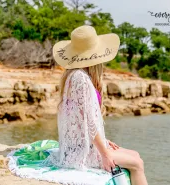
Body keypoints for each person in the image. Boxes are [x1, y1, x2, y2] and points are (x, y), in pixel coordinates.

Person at [50, 25, 148, 185]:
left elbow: (81, 120)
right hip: (81, 153)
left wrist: (104, 140)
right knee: (137, 164)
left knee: (135, 154)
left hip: (78, 146)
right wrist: (105, 154)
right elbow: (88, 121)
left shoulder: (73, 75)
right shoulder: (81, 79)